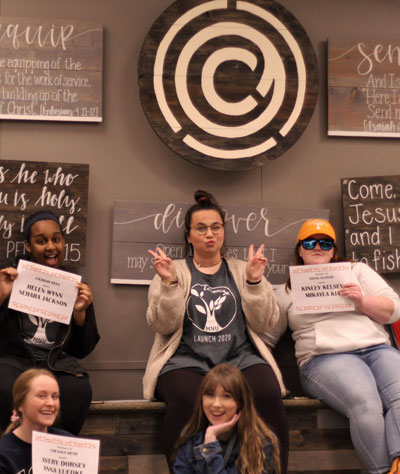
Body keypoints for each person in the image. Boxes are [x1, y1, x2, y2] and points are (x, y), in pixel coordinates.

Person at [144, 190, 288, 473]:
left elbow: (265, 323)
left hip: (240, 358)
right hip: (186, 360)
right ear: (188, 235)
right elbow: (162, 325)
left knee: (268, 393)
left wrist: (255, 282)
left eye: (215, 227)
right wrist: (170, 283)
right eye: (200, 228)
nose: (209, 234)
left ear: (223, 232)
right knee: (186, 398)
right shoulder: (173, 271)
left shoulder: (243, 269)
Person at [265, 218, 400, 474]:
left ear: (334, 250)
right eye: (311, 242)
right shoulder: (285, 290)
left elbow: (394, 310)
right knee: (366, 405)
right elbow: (267, 337)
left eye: (325, 243)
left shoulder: (356, 271)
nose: (318, 247)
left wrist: (362, 301)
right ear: (300, 249)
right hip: (325, 358)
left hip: (376, 349)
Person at [0, 211, 99, 435]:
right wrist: (2, 295)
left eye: (56, 239)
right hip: (15, 362)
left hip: (56, 364)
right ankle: (14, 449)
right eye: (41, 241)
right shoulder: (9, 277)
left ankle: (57, 452)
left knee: (77, 390)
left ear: (63, 242)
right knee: (5, 386)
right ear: (28, 245)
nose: (50, 246)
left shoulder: (75, 287)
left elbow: (82, 350)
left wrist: (80, 314)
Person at [173, 363, 280, 474]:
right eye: (210, 395)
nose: (216, 404)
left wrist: (210, 443)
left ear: (240, 402)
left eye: (226, 396)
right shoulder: (190, 435)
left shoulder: (261, 441)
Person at [0, 368, 71, 474]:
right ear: (20, 404)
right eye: (41, 396)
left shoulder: (69, 444)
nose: (51, 403)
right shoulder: (4, 454)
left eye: (55, 396)